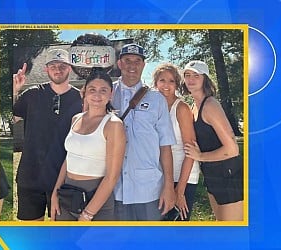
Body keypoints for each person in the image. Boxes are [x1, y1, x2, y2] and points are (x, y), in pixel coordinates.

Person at [12, 48, 82, 221]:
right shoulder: (32, 94)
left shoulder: (80, 99)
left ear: (70, 68)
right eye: (53, 66)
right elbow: (12, 118)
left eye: (62, 66)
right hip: (30, 176)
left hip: (63, 179)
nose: (57, 70)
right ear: (46, 69)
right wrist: (14, 91)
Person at [111, 44, 176, 220]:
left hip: (148, 188)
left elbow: (165, 145)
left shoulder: (157, 99)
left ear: (144, 65)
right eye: (127, 61)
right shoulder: (106, 92)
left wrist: (169, 186)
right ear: (119, 64)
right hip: (113, 188)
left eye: (137, 61)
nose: (132, 65)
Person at [50, 70, 126, 221]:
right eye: (92, 89)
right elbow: (69, 158)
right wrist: (55, 193)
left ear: (110, 94)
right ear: (84, 92)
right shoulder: (76, 119)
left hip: (96, 198)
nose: (97, 95)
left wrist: (88, 213)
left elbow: (112, 176)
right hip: (67, 194)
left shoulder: (113, 125)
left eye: (103, 90)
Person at [182, 60, 243, 221]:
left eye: (196, 75)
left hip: (229, 175)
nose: (191, 79)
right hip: (212, 175)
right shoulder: (194, 107)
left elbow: (232, 149)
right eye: (187, 75)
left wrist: (200, 156)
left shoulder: (210, 105)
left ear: (205, 79)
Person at [152, 63, 201, 221]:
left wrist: (179, 191)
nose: (166, 85)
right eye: (162, 80)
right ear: (155, 83)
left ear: (177, 84)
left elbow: (191, 150)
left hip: (182, 176)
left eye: (171, 81)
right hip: (162, 175)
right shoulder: (152, 107)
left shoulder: (181, 108)